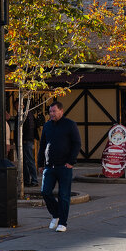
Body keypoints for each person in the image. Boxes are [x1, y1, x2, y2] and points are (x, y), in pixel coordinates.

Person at [37, 100, 81, 233]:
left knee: (63, 195)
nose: (51, 114)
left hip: (64, 166)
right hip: (50, 166)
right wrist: (40, 163)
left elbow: (77, 143)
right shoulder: (47, 126)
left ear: (61, 111)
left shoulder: (70, 125)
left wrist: (71, 162)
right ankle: (56, 215)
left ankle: (62, 222)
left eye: (54, 111)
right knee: (45, 192)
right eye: (50, 111)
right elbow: (42, 145)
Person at [22, 109, 39, 187]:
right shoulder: (27, 114)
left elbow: (30, 127)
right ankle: (28, 180)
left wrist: (26, 139)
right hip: (26, 140)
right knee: (27, 161)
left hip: (26, 140)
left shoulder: (27, 115)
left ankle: (33, 180)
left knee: (29, 160)